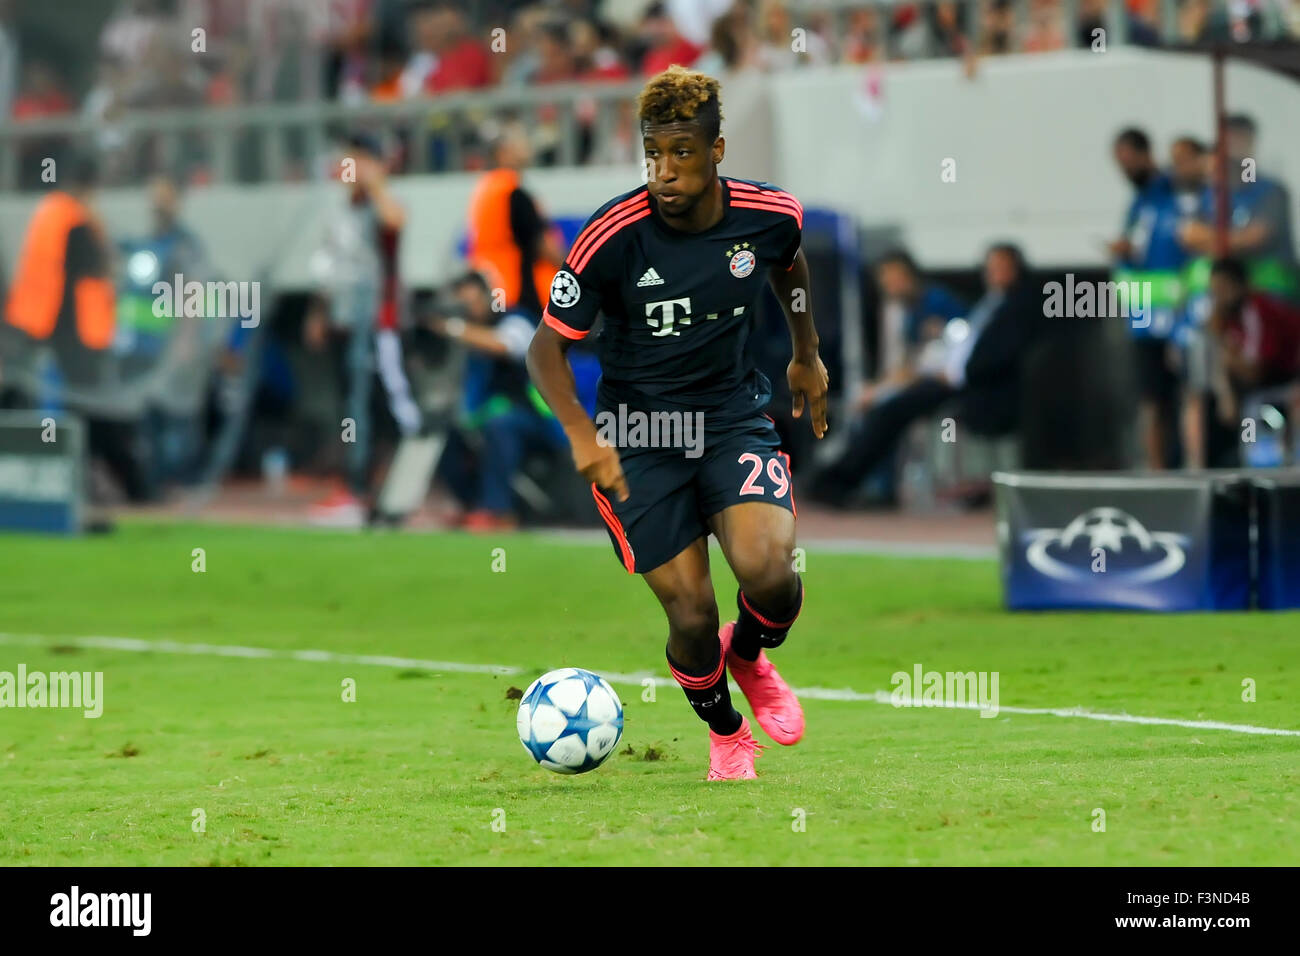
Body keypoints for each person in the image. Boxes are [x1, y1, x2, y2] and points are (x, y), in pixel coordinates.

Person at [526, 66, 828, 781]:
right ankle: (727, 734)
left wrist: (806, 354)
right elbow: (545, 349)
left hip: (729, 415)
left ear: (716, 151)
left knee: (771, 573)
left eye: (681, 152)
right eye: (652, 153)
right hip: (639, 437)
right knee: (691, 612)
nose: (663, 170)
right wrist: (579, 433)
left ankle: (749, 655)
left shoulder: (770, 214)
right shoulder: (611, 236)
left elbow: (788, 265)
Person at [809, 243, 1038, 504]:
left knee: (889, 411)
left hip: (960, 383)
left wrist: (940, 370)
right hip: (938, 376)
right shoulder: (984, 303)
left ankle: (843, 482)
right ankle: (847, 481)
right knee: (883, 410)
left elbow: (960, 354)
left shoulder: (955, 304)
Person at [306, 133, 422, 526]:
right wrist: (318, 312)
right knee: (351, 409)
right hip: (344, 321)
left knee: (377, 408)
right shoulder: (338, 212)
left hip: (379, 323)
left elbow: (396, 221)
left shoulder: (381, 205)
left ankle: (368, 488)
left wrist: (375, 182)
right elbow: (329, 266)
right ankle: (358, 486)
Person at [431, 270, 567, 531]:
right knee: (448, 434)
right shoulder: (469, 335)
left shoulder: (516, 319)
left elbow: (506, 345)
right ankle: (473, 506)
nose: (470, 309)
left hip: (541, 419)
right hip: (488, 416)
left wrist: (451, 328)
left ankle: (499, 511)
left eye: (473, 302)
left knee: (501, 425)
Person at [1109, 127, 1189, 469]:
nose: (1125, 170)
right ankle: (1158, 472)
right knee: (1152, 399)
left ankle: (1191, 469)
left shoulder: (1175, 194)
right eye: (1119, 164)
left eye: (1129, 160)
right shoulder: (1138, 204)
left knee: (1187, 397)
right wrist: (1124, 253)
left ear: (1145, 154)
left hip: (1180, 317)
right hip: (1143, 319)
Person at [464, 121, 565, 320]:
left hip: (493, 288)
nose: (526, 145)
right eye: (519, 142)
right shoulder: (513, 194)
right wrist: (578, 273)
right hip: (516, 292)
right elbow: (545, 247)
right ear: (503, 152)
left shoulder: (487, 189)